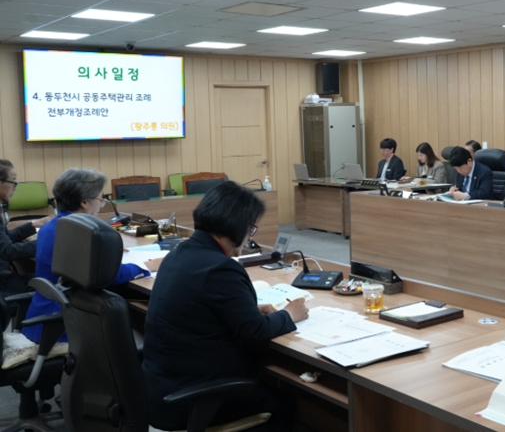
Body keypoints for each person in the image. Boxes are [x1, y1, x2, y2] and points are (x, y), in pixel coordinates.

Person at [143, 182, 308, 432]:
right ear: (237, 226)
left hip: (161, 388)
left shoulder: (180, 252)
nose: (250, 237)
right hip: (191, 400)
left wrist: (249, 309)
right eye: (251, 229)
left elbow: (203, 308)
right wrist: (289, 314)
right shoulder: (220, 268)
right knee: (284, 402)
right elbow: (256, 332)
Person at [22, 168, 149, 343]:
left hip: (43, 317)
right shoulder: (80, 234)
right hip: (65, 327)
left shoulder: (52, 226)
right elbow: (108, 276)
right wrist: (144, 267)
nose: (101, 205)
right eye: (100, 200)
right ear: (84, 201)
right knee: (144, 337)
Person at [0, 159, 51, 296]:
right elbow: (8, 251)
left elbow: (5, 239)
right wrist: (48, 242)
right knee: (55, 283)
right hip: (4, 286)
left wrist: (33, 225)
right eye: (13, 182)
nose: (15, 187)